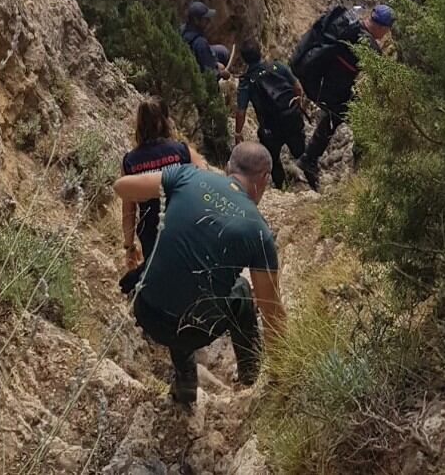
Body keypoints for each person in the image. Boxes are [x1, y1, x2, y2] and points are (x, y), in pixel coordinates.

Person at [114, 141, 285, 405]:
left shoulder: (186, 175)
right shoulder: (258, 230)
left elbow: (121, 187)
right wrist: (282, 377)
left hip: (147, 310)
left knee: (178, 273)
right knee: (240, 289)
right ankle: (251, 375)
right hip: (194, 331)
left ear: (227, 168)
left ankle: (185, 383)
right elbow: (272, 314)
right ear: (264, 178)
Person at [292, 4, 395, 189]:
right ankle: (360, 166)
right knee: (360, 118)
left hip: (321, 83)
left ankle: (308, 159)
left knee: (334, 116)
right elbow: (381, 75)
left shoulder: (352, 25)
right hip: (327, 88)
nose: (386, 34)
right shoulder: (366, 43)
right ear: (381, 27)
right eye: (387, 30)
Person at [119, 98, 202, 293]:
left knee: (158, 279)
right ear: (165, 120)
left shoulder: (130, 161)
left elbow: (128, 210)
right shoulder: (182, 151)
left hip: (151, 231)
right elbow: (204, 184)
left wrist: (129, 247)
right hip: (184, 226)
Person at [234, 40, 310, 190]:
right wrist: (297, 107)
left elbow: (241, 112)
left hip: (270, 128)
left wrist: (238, 133)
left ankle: (281, 188)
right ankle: (314, 183)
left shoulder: (246, 81)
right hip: (291, 120)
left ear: (244, 59)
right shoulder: (277, 66)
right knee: (302, 154)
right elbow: (298, 88)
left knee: (273, 159)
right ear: (260, 51)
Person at [180, 1, 229, 76]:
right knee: (224, 54)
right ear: (196, 20)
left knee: (222, 51)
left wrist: (216, 64)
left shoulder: (183, 29)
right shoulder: (200, 43)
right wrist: (222, 73)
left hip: (195, 58)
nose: (209, 21)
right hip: (197, 70)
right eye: (205, 19)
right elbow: (210, 74)